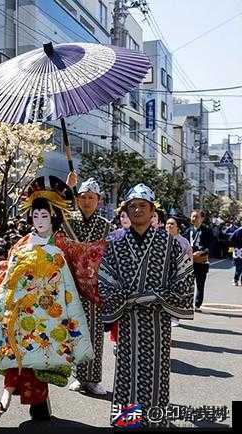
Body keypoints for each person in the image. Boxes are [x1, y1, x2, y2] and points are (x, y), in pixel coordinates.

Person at [0, 176, 93, 427]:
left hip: (52, 311)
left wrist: (71, 190)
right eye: (36, 216)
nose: (39, 221)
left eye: (45, 216)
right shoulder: (23, 243)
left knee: (42, 358)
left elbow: (78, 264)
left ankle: (35, 404)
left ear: (54, 218)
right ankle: (23, 404)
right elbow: (9, 271)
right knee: (20, 357)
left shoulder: (62, 243)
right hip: (22, 309)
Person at [98, 184, 194, 428]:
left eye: (143, 205)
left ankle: (154, 420)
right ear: (126, 212)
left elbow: (184, 279)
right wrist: (126, 298)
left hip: (157, 321)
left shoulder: (170, 244)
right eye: (132, 206)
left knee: (156, 370)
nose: (137, 209)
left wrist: (158, 297)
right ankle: (127, 421)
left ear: (153, 211)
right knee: (127, 371)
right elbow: (105, 280)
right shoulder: (115, 243)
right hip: (128, 321)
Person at [64, 177, 112, 396]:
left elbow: (110, 256)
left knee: (94, 334)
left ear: (98, 200)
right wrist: (67, 186)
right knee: (74, 332)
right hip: (71, 284)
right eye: (82, 197)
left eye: (91, 197)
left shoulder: (105, 225)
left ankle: (92, 379)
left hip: (94, 287)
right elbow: (53, 216)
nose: (86, 201)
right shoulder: (68, 220)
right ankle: (78, 376)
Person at [183, 210, 212, 311]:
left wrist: (202, 252)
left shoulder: (207, 231)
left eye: (196, 217)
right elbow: (182, 245)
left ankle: (197, 304)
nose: (194, 219)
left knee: (200, 285)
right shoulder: (187, 231)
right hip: (189, 261)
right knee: (187, 284)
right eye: (192, 217)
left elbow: (211, 245)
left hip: (201, 261)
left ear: (202, 218)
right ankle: (187, 303)